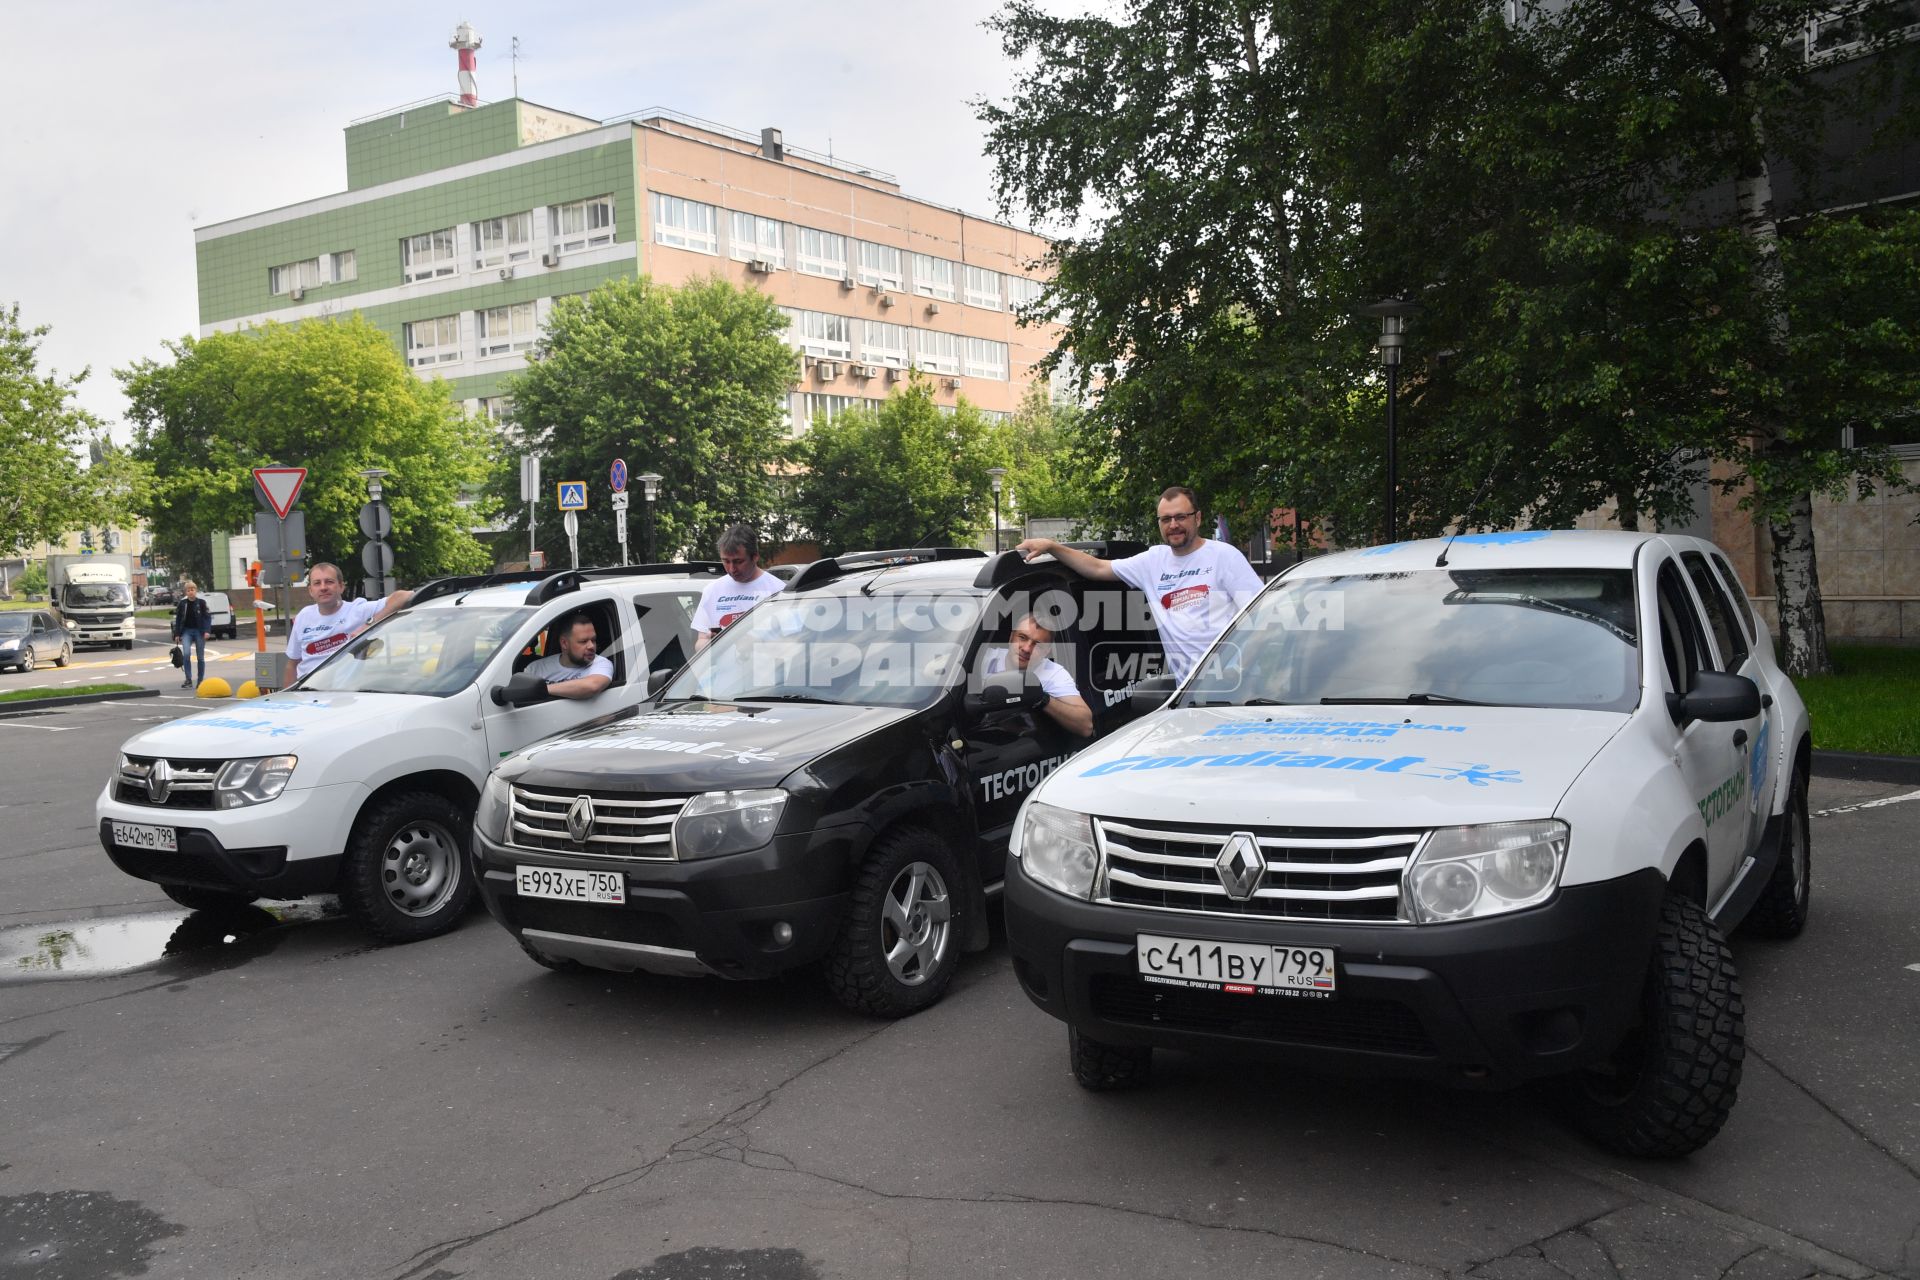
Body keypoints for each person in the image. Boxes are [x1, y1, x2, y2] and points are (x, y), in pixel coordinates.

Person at [1016, 485, 1264, 682]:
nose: (1173, 525)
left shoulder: (1224, 556)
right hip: (1190, 692)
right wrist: (1051, 546)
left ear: (1197, 518)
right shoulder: (1153, 561)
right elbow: (1097, 567)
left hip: (1238, 686)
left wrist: (1237, 669)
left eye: (1180, 517)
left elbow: (1261, 618)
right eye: (1166, 519)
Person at [283, 563, 413, 686]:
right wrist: (287, 699)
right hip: (307, 692)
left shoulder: (358, 610)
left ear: (341, 586)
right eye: (317, 583)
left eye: (329, 581)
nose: (323, 587)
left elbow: (405, 596)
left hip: (343, 694)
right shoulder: (303, 616)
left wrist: (368, 626)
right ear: (311, 590)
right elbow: (292, 664)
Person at [979, 613, 1094, 738]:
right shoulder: (985, 660)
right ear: (1011, 637)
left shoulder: (1052, 673)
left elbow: (1086, 726)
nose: (1027, 649)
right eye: (1022, 637)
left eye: (1038, 645)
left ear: (1047, 651)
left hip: (1026, 744)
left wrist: (1041, 698)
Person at [693, 524, 785, 652]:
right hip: (724, 672)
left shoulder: (778, 590)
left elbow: (794, 643)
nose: (732, 569)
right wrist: (708, 644)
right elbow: (700, 641)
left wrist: (758, 643)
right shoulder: (712, 590)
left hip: (765, 671)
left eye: (738, 561)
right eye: (726, 561)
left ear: (755, 557)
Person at [522, 612, 614, 699]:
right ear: (564, 643)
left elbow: (592, 686)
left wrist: (540, 689)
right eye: (583, 641)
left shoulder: (601, 664)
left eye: (593, 640)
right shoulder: (535, 669)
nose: (591, 646)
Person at [171, 581, 212, 689]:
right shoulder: (182, 604)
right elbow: (179, 619)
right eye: (188, 590)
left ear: (196, 590)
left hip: (199, 631)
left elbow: (207, 617)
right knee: (187, 654)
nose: (190, 592)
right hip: (187, 632)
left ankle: (200, 680)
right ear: (186, 592)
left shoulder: (201, 603)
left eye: (192, 590)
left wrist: (207, 631)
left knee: (200, 657)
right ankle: (188, 679)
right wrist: (177, 634)